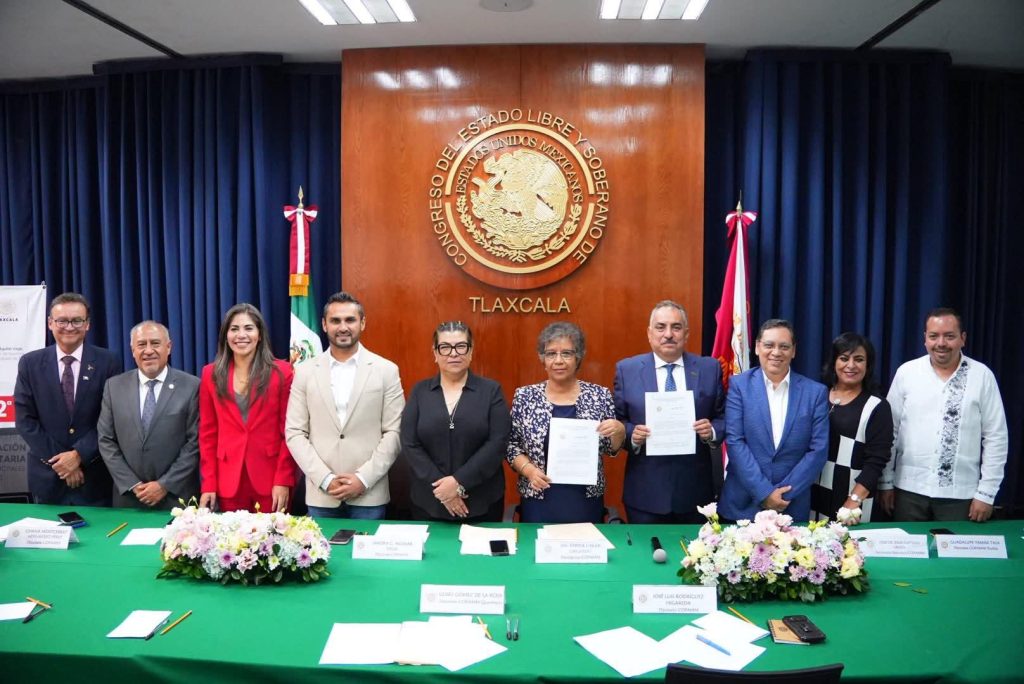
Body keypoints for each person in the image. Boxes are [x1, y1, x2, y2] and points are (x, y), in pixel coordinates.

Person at [877, 308, 1008, 522]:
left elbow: (996, 437)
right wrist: (885, 483)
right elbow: (889, 431)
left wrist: (986, 493)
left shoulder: (982, 376)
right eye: (934, 336)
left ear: (962, 338)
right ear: (925, 339)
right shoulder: (907, 373)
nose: (941, 343)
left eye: (949, 336)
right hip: (908, 491)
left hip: (961, 496)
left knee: (956, 546)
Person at [286, 292, 404, 520]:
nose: (343, 327)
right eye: (335, 320)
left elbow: (394, 432)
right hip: (322, 495)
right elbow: (295, 432)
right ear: (324, 324)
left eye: (350, 320)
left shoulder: (386, 370)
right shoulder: (304, 372)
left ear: (362, 323)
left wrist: (363, 478)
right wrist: (325, 479)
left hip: (369, 494)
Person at [613, 300, 725, 524]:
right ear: (649, 333)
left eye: (676, 327)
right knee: (646, 547)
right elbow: (618, 420)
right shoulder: (627, 370)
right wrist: (632, 434)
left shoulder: (709, 368)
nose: (668, 334)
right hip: (645, 493)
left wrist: (712, 431)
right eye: (660, 327)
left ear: (686, 333)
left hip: (695, 492)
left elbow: (724, 417)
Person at [506, 321, 625, 523]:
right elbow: (511, 445)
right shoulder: (525, 396)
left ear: (578, 357)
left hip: (585, 500)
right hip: (539, 498)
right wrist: (529, 471)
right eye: (551, 354)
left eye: (567, 353)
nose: (558, 361)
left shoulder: (599, 395)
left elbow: (609, 448)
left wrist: (619, 431)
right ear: (542, 358)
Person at [15, 292, 121, 506]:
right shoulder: (30, 363)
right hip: (47, 479)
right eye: (62, 321)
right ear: (50, 323)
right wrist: (64, 463)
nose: (69, 327)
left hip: (94, 478)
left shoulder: (108, 361)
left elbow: (111, 419)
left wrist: (79, 455)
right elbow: (25, 421)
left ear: (87, 324)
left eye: (77, 321)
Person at [718, 319, 829, 522]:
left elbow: (818, 450)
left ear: (793, 351)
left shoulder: (815, 393)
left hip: (791, 505)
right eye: (769, 345)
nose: (776, 352)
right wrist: (764, 493)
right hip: (743, 504)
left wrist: (782, 495)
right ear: (757, 347)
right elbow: (734, 441)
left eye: (784, 346)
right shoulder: (739, 386)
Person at [400, 321, 510, 522]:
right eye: (445, 347)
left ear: (471, 351)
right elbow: (410, 443)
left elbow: (498, 442)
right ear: (435, 353)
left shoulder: (491, 391)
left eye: (461, 346)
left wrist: (459, 482)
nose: (453, 353)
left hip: (481, 499)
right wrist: (444, 489)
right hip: (430, 499)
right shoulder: (420, 391)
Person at [198, 303, 295, 513]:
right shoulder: (210, 374)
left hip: (270, 480)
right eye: (234, 329)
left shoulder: (282, 373)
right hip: (228, 481)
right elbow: (207, 435)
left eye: (249, 328)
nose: (241, 335)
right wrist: (209, 484)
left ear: (259, 335)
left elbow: (289, 433)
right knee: (230, 535)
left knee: (272, 535)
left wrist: (283, 479)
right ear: (226, 336)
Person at [98, 321, 200, 509]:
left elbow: (195, 443)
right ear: (132, 350)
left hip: (177, 499)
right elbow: (106, 439)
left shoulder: (192, 386)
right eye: (141, 344)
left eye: (155, 343)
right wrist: (132, 484)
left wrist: (165, 485)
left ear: (168, 347)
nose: (148, 350)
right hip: (129, 498)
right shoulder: (114, 386)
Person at [809, 332, 893, 523]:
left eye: (859, 359)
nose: (851, 365)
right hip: (813, 495)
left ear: (868, 365)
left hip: (852, 501)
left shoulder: (877, 406)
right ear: (834, 362)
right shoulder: (816, 396)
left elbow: (876, 461)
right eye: (844, 358)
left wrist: (854, 500)